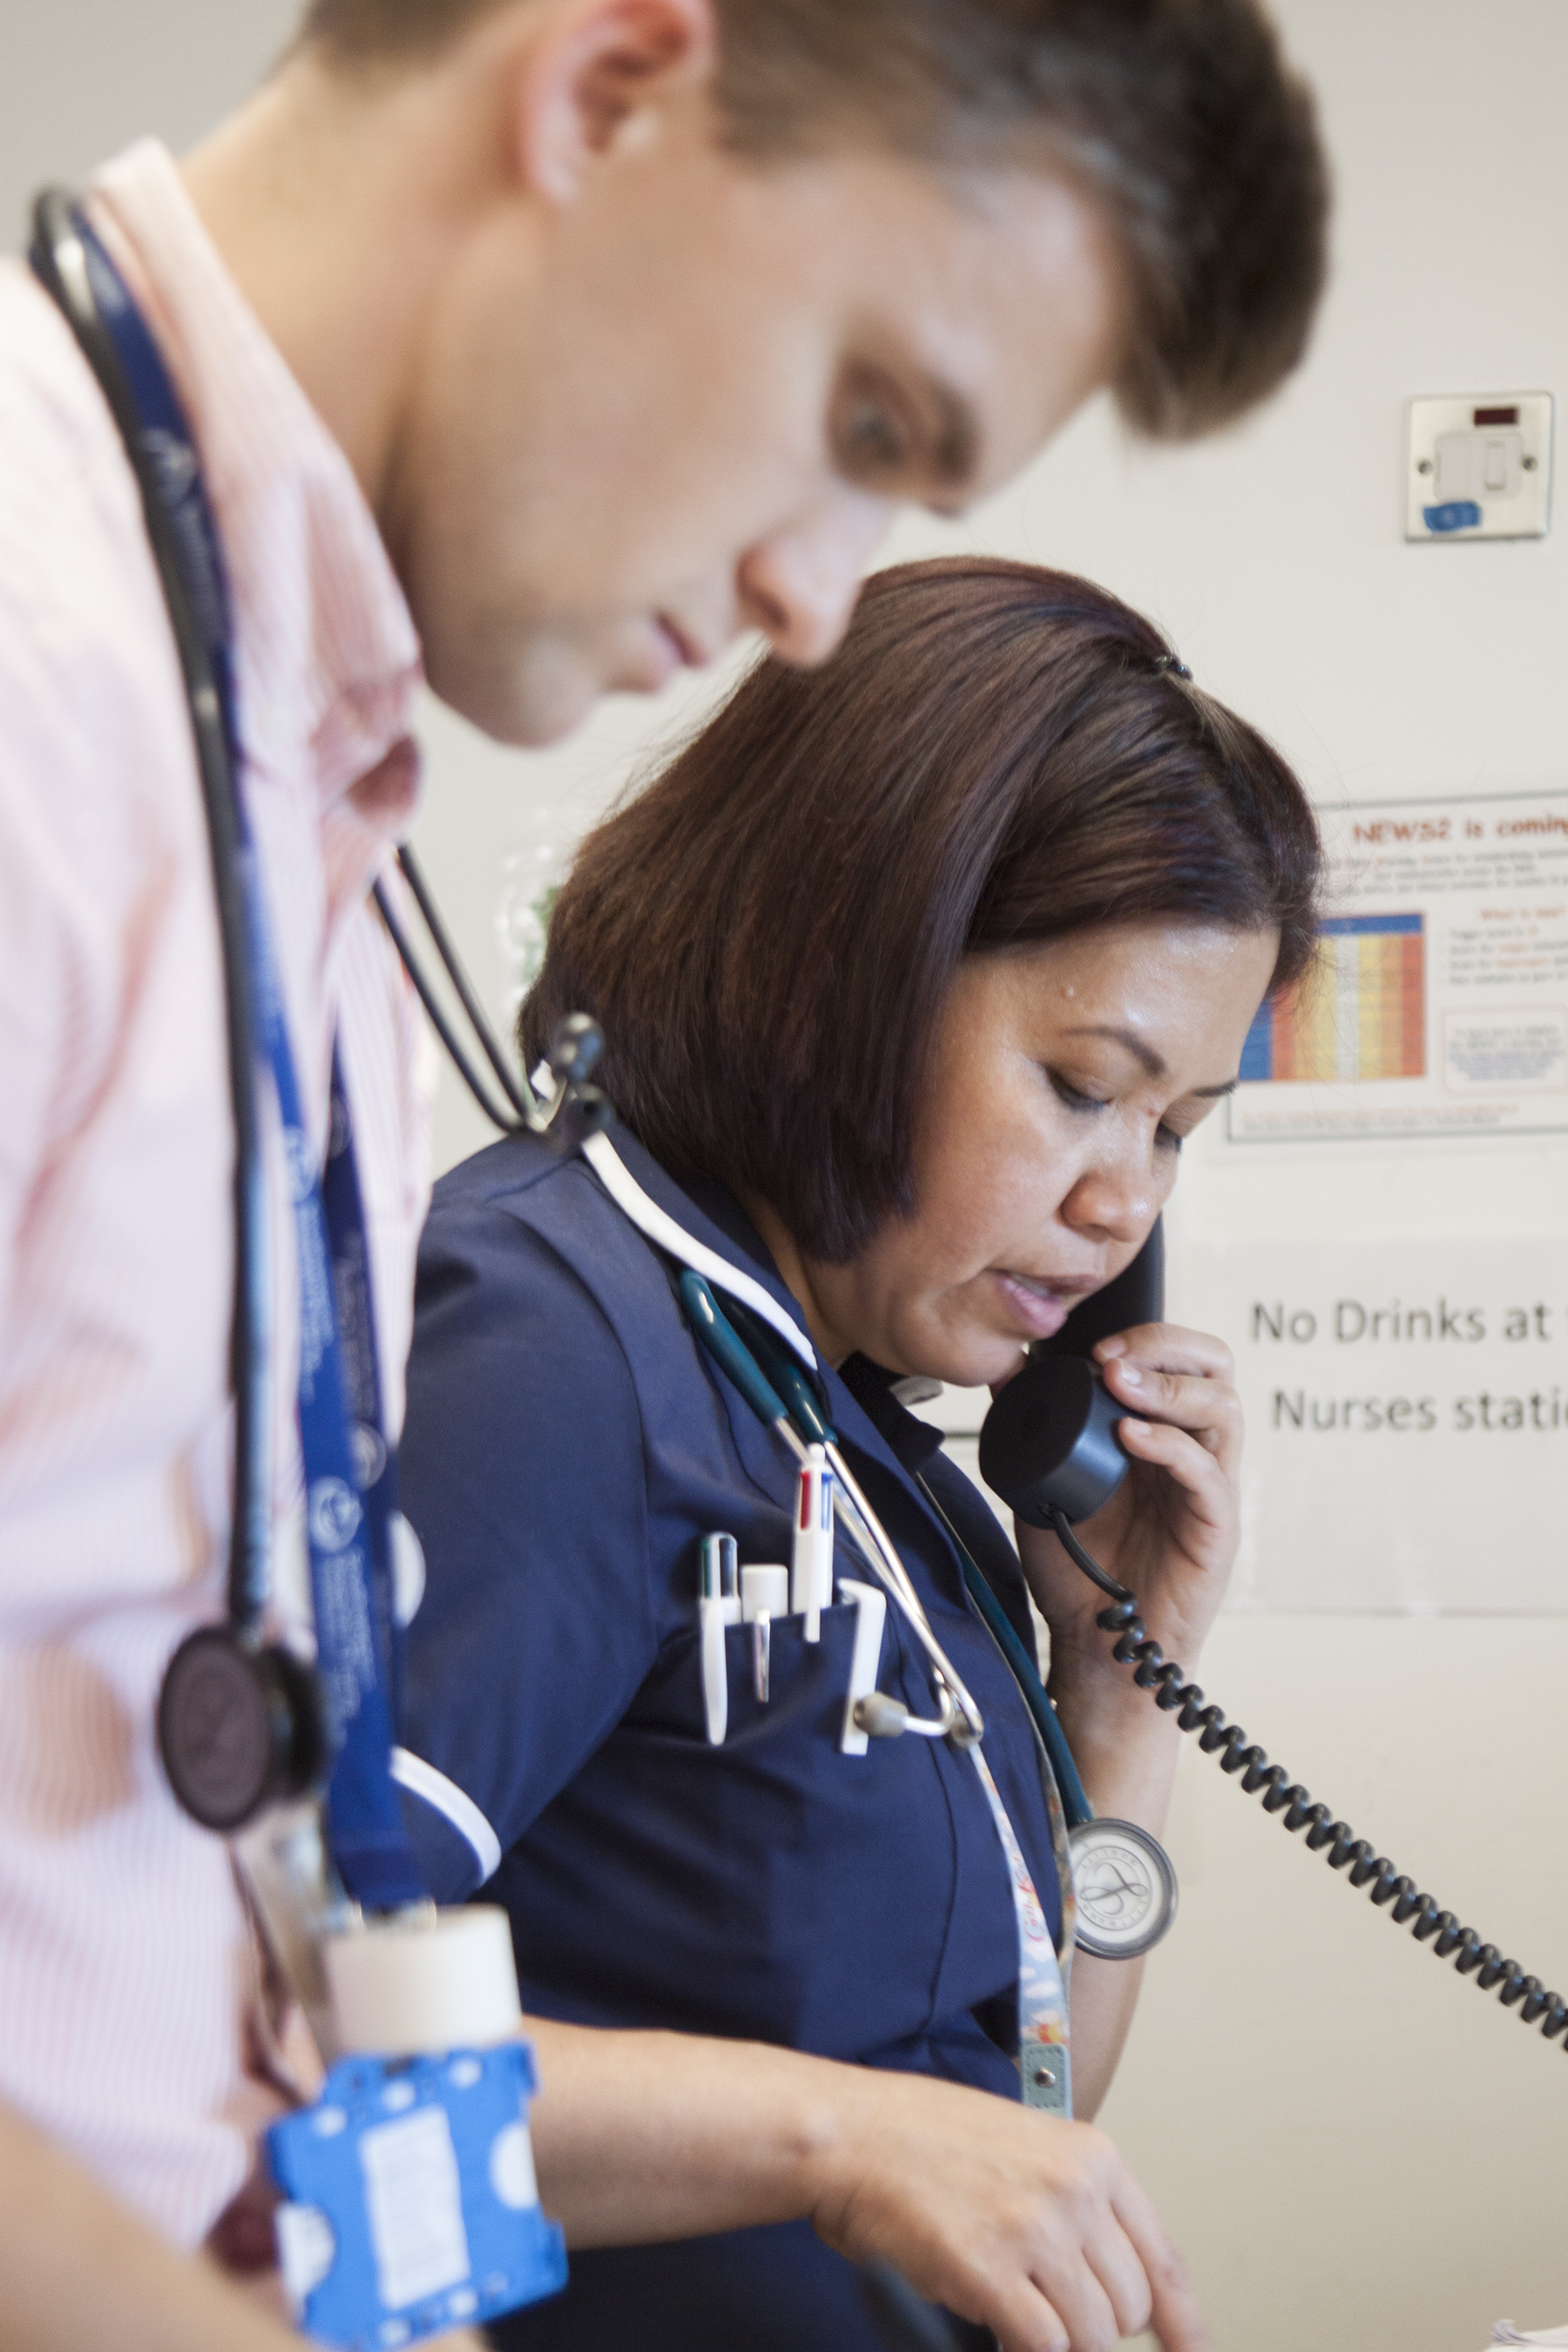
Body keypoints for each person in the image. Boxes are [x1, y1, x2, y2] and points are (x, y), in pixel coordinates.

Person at [0, 0, 1327, 2342]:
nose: (819, 599)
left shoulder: (288, 809)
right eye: (865, 423)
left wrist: (1106, 1711)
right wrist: (814, 2131)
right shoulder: (48, 686)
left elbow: (271, 1999)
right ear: (612, 86)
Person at [392, 555, 1324, 2352]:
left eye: (1178, 1127)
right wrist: (828, 2138)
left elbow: (1015, 2117)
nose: (1121, 1197)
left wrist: (1118, 1695)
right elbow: (258, 2042)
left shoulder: (872, 1437)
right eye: (1081, 1085)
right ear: (847, 978)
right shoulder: (548, 1339)